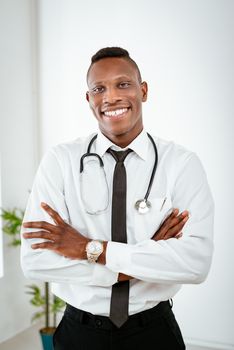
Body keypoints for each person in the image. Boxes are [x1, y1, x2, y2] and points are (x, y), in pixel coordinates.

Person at [21, 47, 214, 350]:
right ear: (89, 99)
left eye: (123, 84)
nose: (110, 97)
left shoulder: (181, 164)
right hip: (78, 333)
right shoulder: (60, 161)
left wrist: (87, 248)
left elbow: (195, 264)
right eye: (99, 88)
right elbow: (35, 261)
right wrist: (145, 260)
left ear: (143, 90)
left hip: (153, 332)